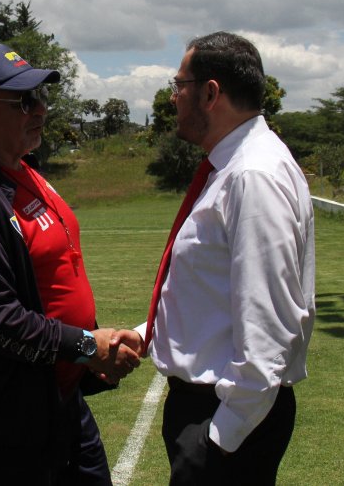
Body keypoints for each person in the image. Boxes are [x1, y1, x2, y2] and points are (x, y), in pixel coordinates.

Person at [0, 44, 141, 485]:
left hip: (62, 401)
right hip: (13, 426)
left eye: (42, 98)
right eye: (25, 101)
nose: (41, 109)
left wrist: (89, 352)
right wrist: (88, 346)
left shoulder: (25, 171)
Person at [115, 32, 316, 485]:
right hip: (217, 413)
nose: (172, 97)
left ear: (210, 93)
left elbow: (270, 324)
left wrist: (218, 440)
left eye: (179, 85)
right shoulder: (233, 167)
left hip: (224, 420)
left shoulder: (252, 175)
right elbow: (212, 286)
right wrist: (151, 332)